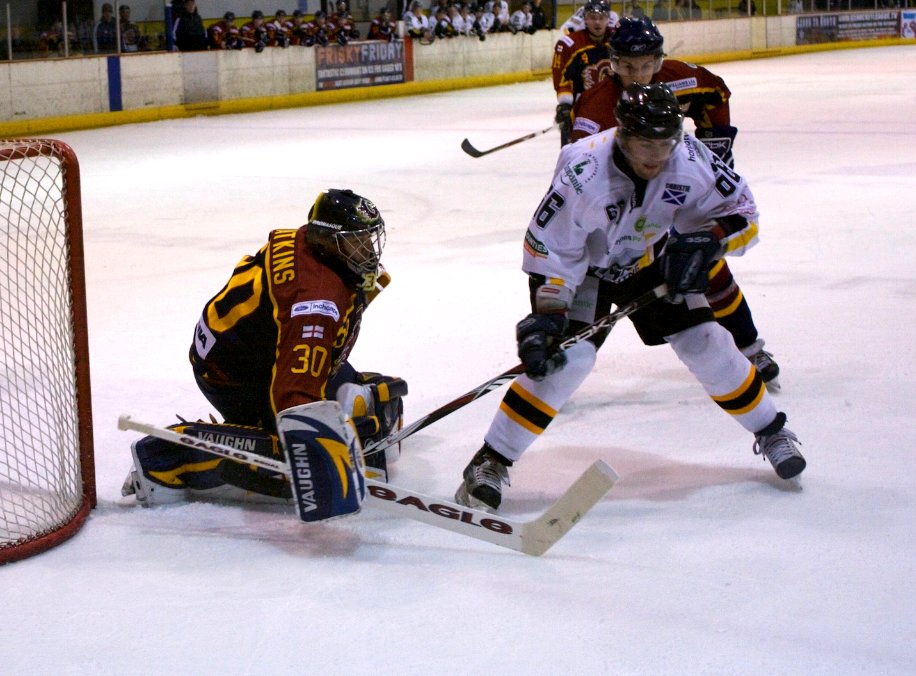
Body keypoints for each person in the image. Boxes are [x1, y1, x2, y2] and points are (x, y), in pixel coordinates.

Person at [453, 83, 806, 512]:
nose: (656, 155)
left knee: (707, 342)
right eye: (644, 143)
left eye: (665, 143)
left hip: (648, 260)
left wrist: (711, 241)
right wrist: (548, 315)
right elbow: (552, 251)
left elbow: (744, 213)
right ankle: (490, 460)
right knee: (568, 360)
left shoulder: (690, 160)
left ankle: (772, 431)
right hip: (584, 272)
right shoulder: (582, 170)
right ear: (622, 134)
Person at [122, 189, 407, 505]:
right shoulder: (315, 299)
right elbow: (293, 392)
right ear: (328, 241)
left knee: (374, 399)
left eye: (369, 238)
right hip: (236, 376)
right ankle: (167, 458)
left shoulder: (314, 248)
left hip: (249, 347)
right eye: (356, 241)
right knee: (291, 456)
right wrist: (318, 453)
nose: (368, 249)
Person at [567, 17, 781, 387]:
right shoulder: (596, 108)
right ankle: (560, 360)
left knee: (705, 262)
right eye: (629, 66)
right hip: (617, 221)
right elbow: (578, 173)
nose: (639, 74)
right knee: (589, 300)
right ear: (614, 63)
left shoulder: (677, 77)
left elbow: (716, 92)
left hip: (672, 194)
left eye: (647, 64)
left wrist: (716, 142)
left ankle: (749, 347)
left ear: (659, 59)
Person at [552, 0, 613, 146]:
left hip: (612, 107)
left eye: (601, 18)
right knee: (575, 156)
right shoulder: (570, 44)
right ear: (585, 19)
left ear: (608, 19)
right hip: (581, 109)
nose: (597, 22)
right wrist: (565, 105)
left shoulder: (618, 40)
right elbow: (562, 78)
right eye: (592, 18)